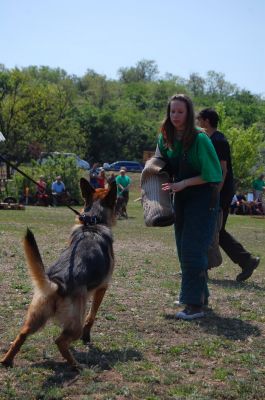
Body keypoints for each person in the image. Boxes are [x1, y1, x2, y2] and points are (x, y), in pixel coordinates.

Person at [157, 94, 222, 320]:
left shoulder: (201, 139)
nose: (175, 116)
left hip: (204, 198)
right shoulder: (165, 136)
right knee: (183, 247)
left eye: (180, 112)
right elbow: (159, 161)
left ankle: (194, 306)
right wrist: (152, 177)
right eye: (172, 111)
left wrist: (183, 183)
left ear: (189, 113)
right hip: (181, 198)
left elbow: (213, 175)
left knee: (193, 249)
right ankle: (198, 294)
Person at [197, 108, 260, 282]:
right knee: (217, 230)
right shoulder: (211, 139)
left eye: (199, 119)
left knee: (211, 228)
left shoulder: (219, 140)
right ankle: (247, 261)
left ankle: (202, 268)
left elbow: (223, 170)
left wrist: (216, 191)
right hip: (216, 191)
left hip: (221, 192)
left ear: (206, 121)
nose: (197, 123)